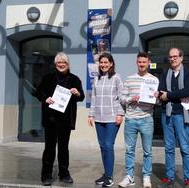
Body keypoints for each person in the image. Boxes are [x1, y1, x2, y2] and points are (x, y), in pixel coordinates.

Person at [36, 52, 85, 186]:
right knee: (49, 147)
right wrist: (45, 98)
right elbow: (38, 92)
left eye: (64, 62)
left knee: (64, 147)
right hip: (51, 118)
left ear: (68, 65)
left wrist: (77, 93)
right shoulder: (47, 78)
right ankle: (46, 175)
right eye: (59, 63)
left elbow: (81, 97)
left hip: (66, 119)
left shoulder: (74, 79)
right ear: (55, 64)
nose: (61, 65)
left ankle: (64, 173)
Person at [118, 52, 159, 188]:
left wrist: (156, 97)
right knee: (129, 150)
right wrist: (131, 98)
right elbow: (122, 99)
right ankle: (129, 177)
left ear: (148, 63)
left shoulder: (154, 80)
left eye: (144, 62)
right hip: (131, 119)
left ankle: (146, 176)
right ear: (137, 63)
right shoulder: (129, 79)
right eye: (139, 62)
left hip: (147, 119)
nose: (142, 64)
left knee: (148, 151)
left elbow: (157, 102)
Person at [157, 48, 189, 188]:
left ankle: (188, 178)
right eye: (170, 57)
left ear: (181, 57)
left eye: (175, 56)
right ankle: (169, 176)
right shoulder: (165, 74)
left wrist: (168, 95)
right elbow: (161, 91)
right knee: (169, 148)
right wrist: (165, 95)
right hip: (166, 114)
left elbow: (188, 90)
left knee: (185, 147)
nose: (173, 59)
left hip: (181, 115)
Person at [88, 52, 125, 187]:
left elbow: (122, 97)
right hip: (98, 117)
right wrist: (91, 115)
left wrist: (120, 114)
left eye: (106, 62)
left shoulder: (116, 78)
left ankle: (109, 177)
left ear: (111, 63)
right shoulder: (97, 78)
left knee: (109, 145)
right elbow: (93, 98)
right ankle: (105, 173)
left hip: (112, 118)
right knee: (103, 146)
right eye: (101, 62)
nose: (103, 65)